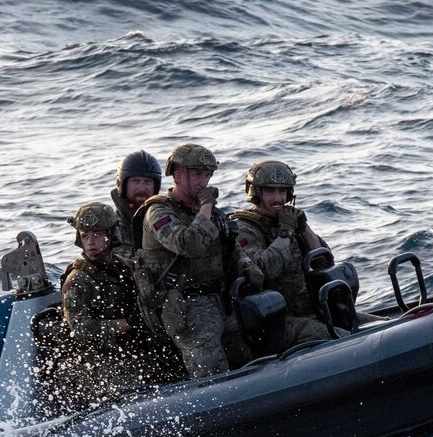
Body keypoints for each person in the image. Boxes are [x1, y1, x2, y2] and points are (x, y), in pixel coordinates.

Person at [136, 143, 260, 378]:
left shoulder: (212, 213)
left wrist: (247, 267)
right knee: (212, 375)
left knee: (251, 357)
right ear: (178, 175)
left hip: (220, 301)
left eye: (206, 175)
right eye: (196, 174)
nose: (203, 182)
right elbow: (188, 244)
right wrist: (205, 206)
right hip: (186, 308)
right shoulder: (159, 212)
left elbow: (229, 246)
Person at [55, 202, 174, 408]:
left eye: (97, 235)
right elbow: (80, 328)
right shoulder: (78, 280)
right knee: (139, 394)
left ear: (111, 235)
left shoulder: (125, 266)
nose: (91, 242)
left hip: (134, 351)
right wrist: (126, 323)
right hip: (99, 360)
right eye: (85, 236)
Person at [231, 160, 337, 350]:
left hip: (311, 309)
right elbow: (264, 269)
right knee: (340, 339)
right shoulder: (244, 229)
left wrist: (303, 228)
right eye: (270, 191)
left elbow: (324, 260)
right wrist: (286, 231)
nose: (278, 198)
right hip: (278, 320)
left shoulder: (289, 221)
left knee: (375, 323)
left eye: (282, 191)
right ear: (256, 193)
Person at [109, 149, 162, 250]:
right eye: (136, 181)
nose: (141, 188)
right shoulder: (110, 224)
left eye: (147, 182)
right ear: (123, 184)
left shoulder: (166, 215)